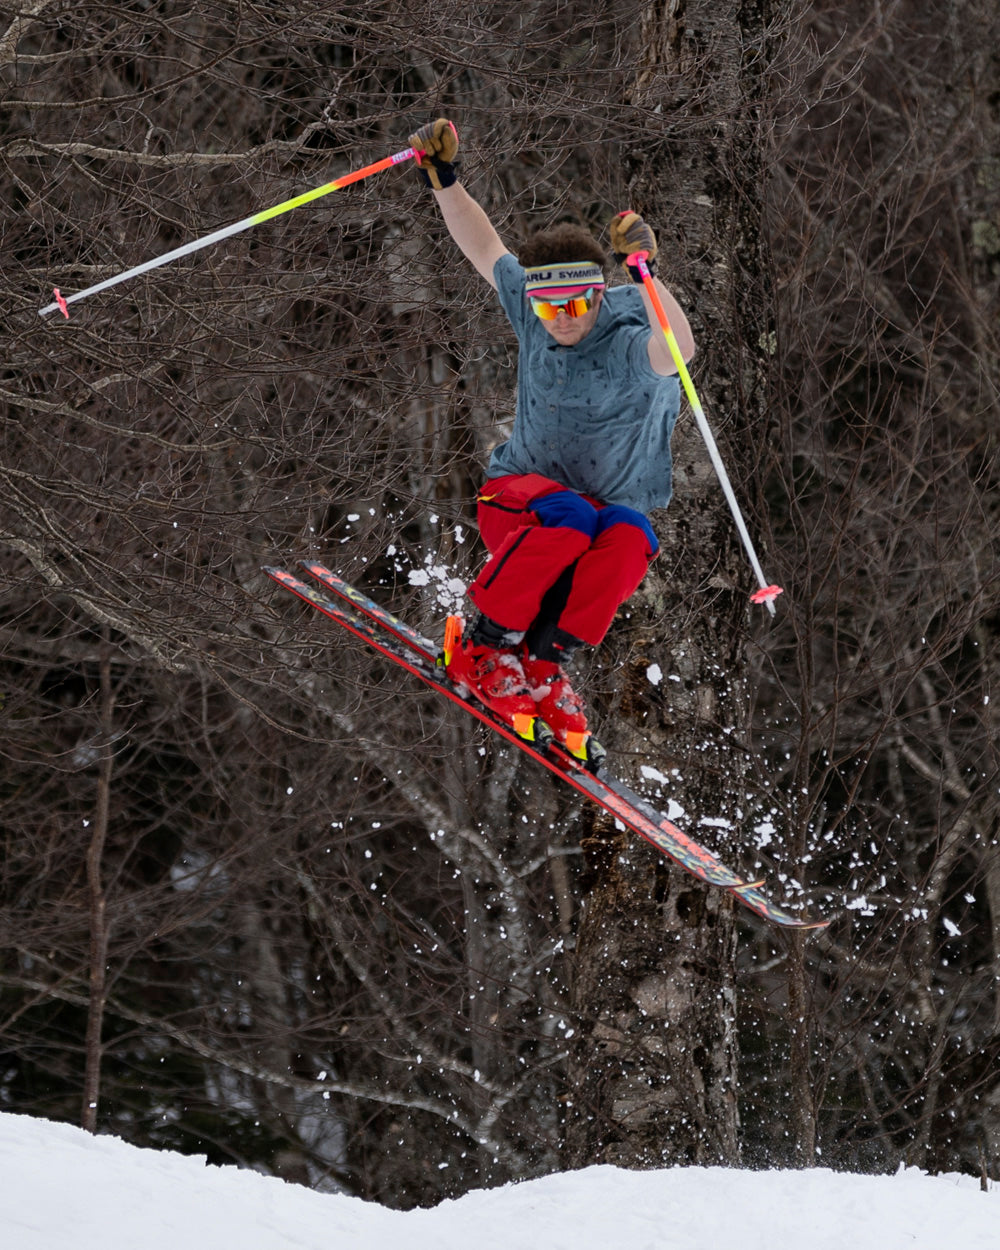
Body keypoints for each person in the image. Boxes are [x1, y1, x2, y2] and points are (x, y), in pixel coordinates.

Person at [409, 119, 695, 768]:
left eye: (575, 307)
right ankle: (482, 642)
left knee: (629, 536)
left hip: (584, 533)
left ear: (598, 296)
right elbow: (484, 248)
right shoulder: (536, 319)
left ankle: (541, 663)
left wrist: (648, 275)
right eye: (547, 309)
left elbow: (679, 346)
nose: (561, 322)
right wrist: (444, 180)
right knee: (571, 512)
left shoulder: (625, 337)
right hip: (517, 506)